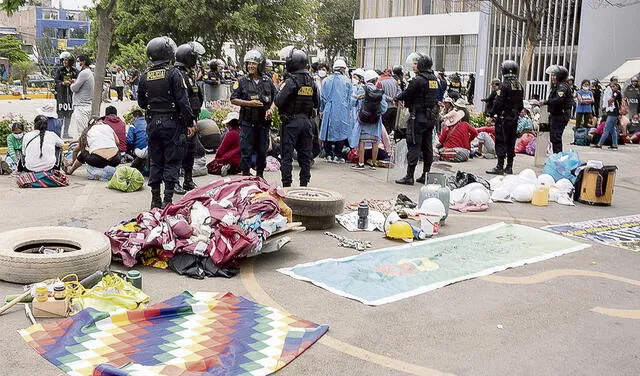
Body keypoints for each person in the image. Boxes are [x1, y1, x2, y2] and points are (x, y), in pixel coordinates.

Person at [137, 36, 195, 209]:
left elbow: (141, 103)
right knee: (172, 160)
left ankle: (155, 198)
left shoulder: (144, 76)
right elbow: (183, 102)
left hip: (153, 123)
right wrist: (190, 122)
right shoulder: (174, 74)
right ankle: (167, 200)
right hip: (172, 124)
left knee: (155, 160)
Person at [275, 46, 319, 187]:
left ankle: (287, 186)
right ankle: (304, 185)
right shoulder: (311, 81)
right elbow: (317, 103)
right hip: (307, 122)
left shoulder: (291, 81)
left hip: (291, 123)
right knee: (305, 155)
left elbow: (278, 101)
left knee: (287, 156)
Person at [230, 49, 277, 178]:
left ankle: (260, 177)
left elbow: (276, 98)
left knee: (262, 151)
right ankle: (245, 177)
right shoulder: (241, 81)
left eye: (254, 64)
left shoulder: (268, 81)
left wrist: (271, 109)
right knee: (246, 152)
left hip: (263, 123)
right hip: (247, 123)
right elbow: (233, 99)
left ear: (259, 65)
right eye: (249, 63)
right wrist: (249, 103)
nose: (250, 66)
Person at [394, 52, 439, 185]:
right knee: (427, 146)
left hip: (417, 117)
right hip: (430, 117)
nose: (415, 65)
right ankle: (426, 174)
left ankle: (409, 176)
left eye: (416, 63)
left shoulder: (417, 80)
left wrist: (397, 98)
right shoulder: (433, 79)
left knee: (413, 144)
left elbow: (407, 93)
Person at [174, 41, 206, 194]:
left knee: (190, 151)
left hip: (192, 119)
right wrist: (188, 121)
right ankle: (175, 182)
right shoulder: (178, 75)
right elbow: (182, 100)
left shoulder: (188, 75)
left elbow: (196, 96)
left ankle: (187, 180)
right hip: (182, 121)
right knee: (179, 152)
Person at [486, 60, 524, 175]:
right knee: (511, 142)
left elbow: (499, 102)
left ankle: (500, 166)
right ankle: (509, 166)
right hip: (514, 118)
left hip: (504, 117)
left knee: (501, 141)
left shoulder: (504, 85)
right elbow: (521, 104)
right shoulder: (518, 85)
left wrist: (492, 113)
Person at [349, 69, 387, 170]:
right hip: (375, 120)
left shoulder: (362, 89)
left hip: (363, 119)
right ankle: (373, 163)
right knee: (375, 141)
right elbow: (384, 107)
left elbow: (353, 103)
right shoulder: (379, 91)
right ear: (375, 80)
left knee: (362, 141)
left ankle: (361, 163)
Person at [320, 59, 352, 163]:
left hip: (328, 109)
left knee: (327, 131)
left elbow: (322, 97)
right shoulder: (347, 81)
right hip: (342, 110)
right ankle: (338, 155)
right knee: (341, 132)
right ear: (343, 69)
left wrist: (322, 110)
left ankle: (328, 154)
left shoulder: (326, 80)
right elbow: (350, 97)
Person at [540, 65, 572, 154]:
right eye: (552, 75)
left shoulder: (562, 87)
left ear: (560, 76)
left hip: (560, 115)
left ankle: (558, 158)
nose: (553, 77)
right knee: (553, 137)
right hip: (556, 114)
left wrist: (546, 102)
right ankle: (556, 156)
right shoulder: (557, 86)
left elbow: (559, 99)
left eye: (555, 75)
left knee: (556, 137)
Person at [207, 112, 241, 176]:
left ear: (229, 124)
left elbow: (222, 149)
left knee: (210, 166)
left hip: (230, 158)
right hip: (240, 160)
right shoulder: (242, 132)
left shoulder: (230, 134)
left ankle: (222, 167)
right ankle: (231, 168)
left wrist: (217, 157)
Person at [70, 54, 94, 138]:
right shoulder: (89, 72)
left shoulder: (83, 73)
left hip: (81, 107)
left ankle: (83, 150)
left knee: (82, 133)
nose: (76, 63)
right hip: (86, 105)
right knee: (86, 131)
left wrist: (72, 84)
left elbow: (75, 88)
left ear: (83, 62)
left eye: (78, 61)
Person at [54, 51, 78, 139]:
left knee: (69, 115)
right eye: (63, 60)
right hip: (61, 96)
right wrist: (63, 83)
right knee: (60, 115)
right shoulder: (59, 70)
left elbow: (78, 80)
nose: (64, 62)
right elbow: (56, 81)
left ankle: (66, 133)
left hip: (71, 96)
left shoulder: (75, 71)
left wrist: (73, 81)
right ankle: (58, 133)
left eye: (66, 60)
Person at [596, 83, 622, 149]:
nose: (612, 88)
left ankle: (600, 144)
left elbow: (610, 101)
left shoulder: (616, 93)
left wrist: (607, 97)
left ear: (617, 87)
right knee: (612, 129)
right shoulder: (614, 93)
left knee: (606, 129)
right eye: (611, 87)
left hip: (613, 113)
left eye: (614, 86)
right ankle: (614, 144)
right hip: (612, 113)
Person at [377, 68, 401, 135]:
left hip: (385, 107)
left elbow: (380, 94)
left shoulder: (380, 81)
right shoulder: (395, 81)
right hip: (395, 106)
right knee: (393, 125)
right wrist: (395, 98)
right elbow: (399, 91)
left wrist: (390, 99)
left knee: (385, 126)